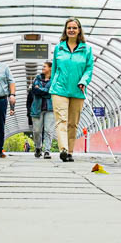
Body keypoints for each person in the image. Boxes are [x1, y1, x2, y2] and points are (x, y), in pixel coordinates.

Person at [48, 18, 96, 163]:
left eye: (74, 28)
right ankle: (63, 149)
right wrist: (53, 85)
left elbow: (89, 68)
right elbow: (55, 69)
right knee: (61, 120)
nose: (71, 30)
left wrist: (84, 81)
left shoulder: (87, 49)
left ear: (79, 30)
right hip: (59, 89)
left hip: (77, 90)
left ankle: (70, 151)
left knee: (73, 123)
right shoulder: (59, 48)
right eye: (69, 28)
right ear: (65, 30)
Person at [28, 61, 53, 158]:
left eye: (45, 66)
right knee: (37, 130)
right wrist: (45, 91)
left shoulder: (54, 79)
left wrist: (40, 90)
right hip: (37, 108)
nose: (42, 68)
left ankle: (47, 151)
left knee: (48, 130)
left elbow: (51, 91)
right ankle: (38, 147)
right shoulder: (37, 78)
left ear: (50, 68)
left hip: (50, 108)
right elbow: (34, 90)